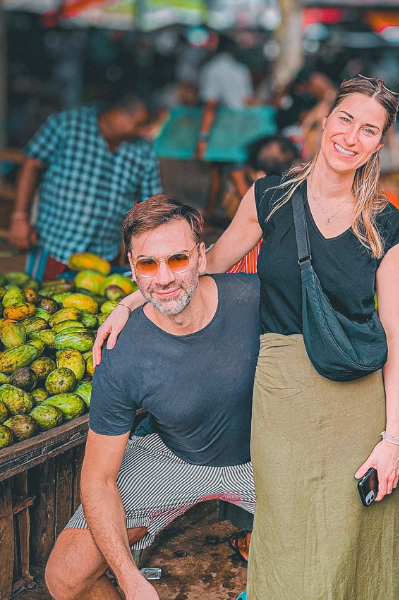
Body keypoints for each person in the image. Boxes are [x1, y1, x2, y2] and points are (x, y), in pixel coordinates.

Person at [94, 77, 399, 599]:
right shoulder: (269, 196)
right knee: (286, 528)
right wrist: (131, 301)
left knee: (357, 529)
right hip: (282, 389)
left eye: (369, 129)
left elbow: (397, 336)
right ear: (324, 121)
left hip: (357, 398)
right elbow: (209, 265)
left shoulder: (386, 223)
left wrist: (394, 439)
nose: (352, 137)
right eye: (346, 120)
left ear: (380, 144)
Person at [45, 196, 260, 600]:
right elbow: (97, 478)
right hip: (171, 455)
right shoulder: (119, 350)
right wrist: (129, 579)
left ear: (201, 256)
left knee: (335, 541)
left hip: (259, 458)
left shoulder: (254, 300)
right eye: (148, 263)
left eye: (177, 259)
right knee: (64, 577)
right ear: (131, 266)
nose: (163, 278)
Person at [10, 91, 162, 281]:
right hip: (53, 245)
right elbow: (31, 164)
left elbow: (149, 203)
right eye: (138, 124)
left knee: (96, 307)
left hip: (104, 255)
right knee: (40, 301)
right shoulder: (67, 125)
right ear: (118, 112)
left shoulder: (144, 151)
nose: (141, 131)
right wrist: (19, 217)